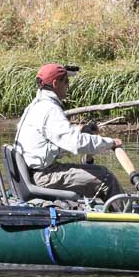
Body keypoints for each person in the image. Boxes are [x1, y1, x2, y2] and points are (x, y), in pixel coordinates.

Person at [15, 63, 125, 203]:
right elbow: (76, 143)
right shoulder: (50, 109)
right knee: (106, 177)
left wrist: (81, 131)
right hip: (44, 176)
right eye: (66, 81)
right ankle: (129, 219)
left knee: (94, 171)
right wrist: (110, 143)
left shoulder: (35, 106)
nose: (68, 86)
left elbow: (54, 140)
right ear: (55, 83)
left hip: (34, 173)